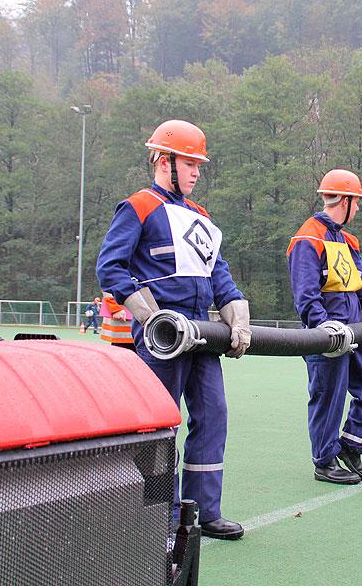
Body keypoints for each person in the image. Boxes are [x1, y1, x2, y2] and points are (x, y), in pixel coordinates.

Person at [96, 119, 252, 540]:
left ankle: (202, 512)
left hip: (202, 333)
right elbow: (110, 267)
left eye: (200, 164)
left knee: (213, 416)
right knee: (161, 426)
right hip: (163, 337)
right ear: (164, 161)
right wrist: (148, 315)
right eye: (191, 163)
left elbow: (217, 272)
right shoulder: (139, 206)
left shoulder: (201, 215)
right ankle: (157, 522)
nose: (198, 172)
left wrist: (235, 309)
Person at [287, 169, 362, 485]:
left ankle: (351, 446)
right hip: (326, 337)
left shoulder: (347, 239)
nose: (358, 209)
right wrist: (325, 329)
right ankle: (324, 461)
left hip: (354, 331)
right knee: (328, 397)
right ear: (343, 200)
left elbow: (361, 281)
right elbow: (305, 294)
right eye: (356, 202)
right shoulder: (307, 237)